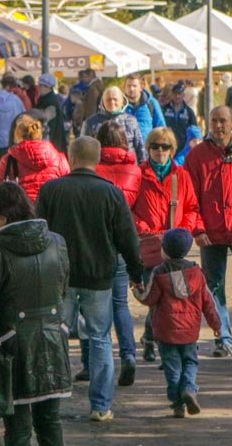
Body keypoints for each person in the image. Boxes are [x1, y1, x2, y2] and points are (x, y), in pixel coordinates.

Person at [35, 137, 143, 423]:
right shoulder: (111, 193)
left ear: (70, 156)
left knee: (55, 337)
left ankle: (51, 401)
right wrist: (137, 271)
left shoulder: (51, 190)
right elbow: (127, 237)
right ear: (97, 159)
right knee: (100, 339)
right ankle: (101, 405)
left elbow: (39, 235)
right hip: (99, 276)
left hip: (61, 276)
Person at [0, 181, 72, 446]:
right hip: (53, 337)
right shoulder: (57, 242)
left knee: (17, 428)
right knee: (50, 421)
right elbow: (63, 285)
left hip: (12, 343)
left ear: (3, 215)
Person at [184, 106, 232, 359]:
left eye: (223, 121)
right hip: (210, 230)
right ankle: (223, 337)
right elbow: (189, 195)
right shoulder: (197, 156)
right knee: (213, 286)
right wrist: (197, 227)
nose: (218, 126)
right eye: (214, 121)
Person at [132, 127, 202, 363]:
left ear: (173, 150)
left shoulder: (180, 175)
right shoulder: (138, 174)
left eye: (165, 147)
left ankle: (155, 339)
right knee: (157, 297)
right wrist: (141, 226)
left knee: (171, 298)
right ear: (148, 148)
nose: (160, 151)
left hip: (175, 246)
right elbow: (128, 209)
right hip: (149, 245)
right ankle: (155, 341)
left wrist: (183, 232)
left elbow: (192, 207)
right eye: (155, 146)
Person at [135, 228, 221, 418]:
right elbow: (208, 302)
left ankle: (177, 404)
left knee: (172, 366)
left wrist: (136, 289)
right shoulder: (196, 272)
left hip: (165, 331)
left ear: (164, 249)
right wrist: (216, 325)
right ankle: (189, 388)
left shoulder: (158, 273)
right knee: (190, 361)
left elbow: (148, 298)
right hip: (190, 330)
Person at [90, 120, 143, 384]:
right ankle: (129, 355)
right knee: (121, 303)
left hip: (95, 242)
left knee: (91, 304)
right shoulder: (134, 170)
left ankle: (92, 362)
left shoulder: (93, 170)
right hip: (123, 240)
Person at [0, 114, 70, 201]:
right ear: (40, 134)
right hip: (52, 209)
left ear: (17, 136)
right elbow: (68, 188)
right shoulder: (59, 159)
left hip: (20, 210)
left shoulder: (9, 160)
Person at [82, 85, 145, 161]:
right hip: (101, 167)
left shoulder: (132, 121)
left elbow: (140, 148)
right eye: (108, 99)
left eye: (115, 99)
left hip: (127, 167)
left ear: (122, 101)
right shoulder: (90, 123)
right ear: (103, 102)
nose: (112, 102)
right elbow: (83, 149)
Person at [32, 73, 69, 154]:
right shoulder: (46, 99)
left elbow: (49, 123)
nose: (39, 88)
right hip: (53, 141)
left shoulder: (50, 101)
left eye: (40, 85)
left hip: (51, 142)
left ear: (46, 86)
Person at [123, 75, 166, 142]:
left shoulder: (151, 103)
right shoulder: (120, 105)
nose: (131, 89)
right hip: (126, 149)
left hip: (147, 148)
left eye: (134, 86)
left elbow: (161, 127)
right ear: (124, 88)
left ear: (141, 87)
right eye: (128, 86)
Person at [163, 82, 199, 156]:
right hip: (167, 145)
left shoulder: (189, 112)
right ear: (171, 94)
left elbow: (194, 130)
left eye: (180, 94)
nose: (177, 96)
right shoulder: (164, 109)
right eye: (175, 93)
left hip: (183, 148)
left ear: (183, 95)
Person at [71, 69, 104, 134]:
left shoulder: (93, 88)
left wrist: (88, 123)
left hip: (92, 123)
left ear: (90, 76)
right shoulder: (97, 86)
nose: (83, 79)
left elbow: (91, 108)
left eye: (84, 76)